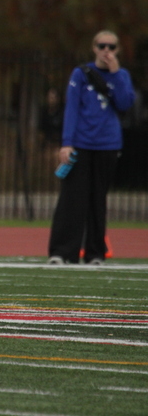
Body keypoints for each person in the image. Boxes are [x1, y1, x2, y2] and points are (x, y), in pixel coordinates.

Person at [47, 30, 135, 265]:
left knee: (98, 200)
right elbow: (72, 109)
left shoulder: (122, 75)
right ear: (94, 48)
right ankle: (63, 252)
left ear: (117, 50)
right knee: (72, 199)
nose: (107, 51)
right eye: (102, 46)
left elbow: (125, 103)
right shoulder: (81, 74)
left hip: (107, 145)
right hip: (81, 144)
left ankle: (95, 253)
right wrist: (66, 143)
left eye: (112, 47)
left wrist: (115, 73)